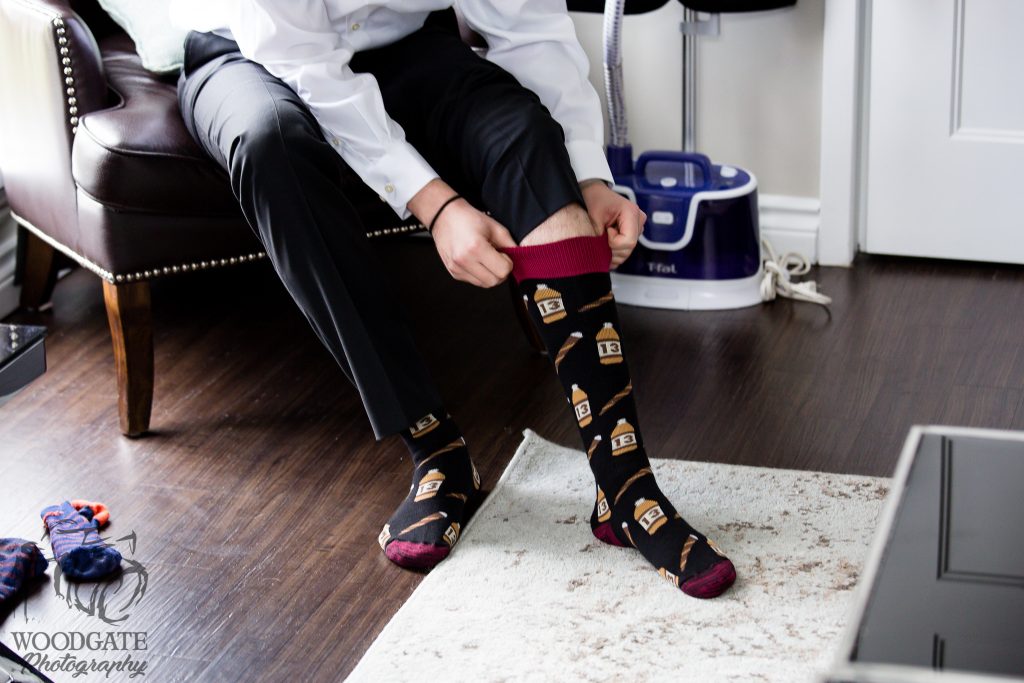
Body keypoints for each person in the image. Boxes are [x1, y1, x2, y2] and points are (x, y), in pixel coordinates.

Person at [172, 0, 735, 598]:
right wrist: (436, 205)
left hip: (402, 44)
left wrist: (589, 176)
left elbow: (531, 31)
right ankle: (436, 449)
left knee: (521, 129)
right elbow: (301, 61)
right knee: (270, 144)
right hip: (252, 58)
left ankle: (624, 487)